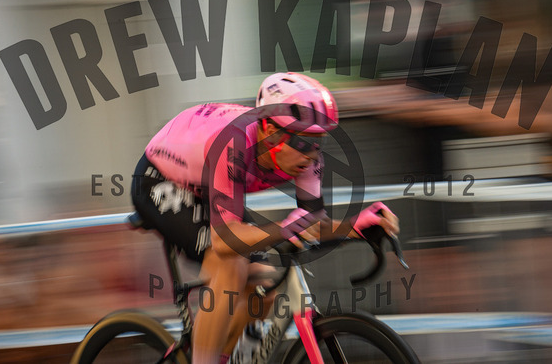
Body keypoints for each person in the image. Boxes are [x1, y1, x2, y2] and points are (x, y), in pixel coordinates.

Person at [130, 72, 400, 364]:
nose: (312, 155)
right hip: (161, 180)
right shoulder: (233, 144)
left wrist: (355, 226)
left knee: (265, 281)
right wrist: (284, 229)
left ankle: (224, 357)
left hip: (208, 186)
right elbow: (224, 241)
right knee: (230, 261)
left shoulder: (308, 160)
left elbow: (313, 224)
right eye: (303, 142)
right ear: (270, 129)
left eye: (318, 142)